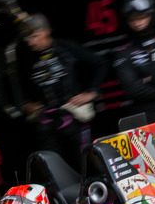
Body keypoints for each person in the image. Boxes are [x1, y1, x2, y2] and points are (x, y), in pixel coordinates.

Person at [19, 14, 106, 172]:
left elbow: (99, 64)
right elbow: (20, 89)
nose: (30, 42)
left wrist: (92, 93)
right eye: (27, 38)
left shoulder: (66, 48)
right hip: (46, 123)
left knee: (87, 162)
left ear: (46, 31)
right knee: (52, 168)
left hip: (74, 118)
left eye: (34, 36)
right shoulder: (27, 58)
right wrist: (26, 105)